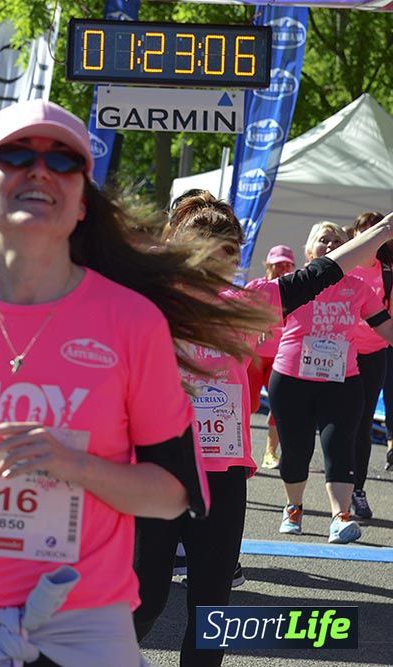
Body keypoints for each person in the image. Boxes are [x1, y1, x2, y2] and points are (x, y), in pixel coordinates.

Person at [0, 100, 261, 666]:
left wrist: (73, 465)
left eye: (63, 160)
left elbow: (173, 494)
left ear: (82, 205)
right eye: (15, 155)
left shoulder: (131, 323)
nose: (38, 170)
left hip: (82, 620)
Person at [135, 196, 393, 667]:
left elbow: (326, 270)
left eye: (228, 254)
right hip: (153, 474)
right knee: (144, 601)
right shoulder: (147, 306)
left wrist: (381, 232)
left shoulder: (247, 303)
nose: (216, 266)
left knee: (211, 610)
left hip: (222, 477)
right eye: (203, 253)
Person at [270, 221, 393, 543]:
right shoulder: (292, 284)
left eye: (336, 240)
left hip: (342, 380)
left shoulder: (358, 289)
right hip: (291, 379)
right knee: (296, 451)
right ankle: (293, 507)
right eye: (323, 240)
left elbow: (385, 328)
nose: (329, 244)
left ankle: (340, 518)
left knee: (340, 448)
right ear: (309, 249)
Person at [347, 210, 392, 520]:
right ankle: (298, 494)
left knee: (362, 423)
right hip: (338, 352)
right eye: (364, 231)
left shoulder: (387, 271)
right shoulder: (341, 267)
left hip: (374, 354)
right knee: (338, 423)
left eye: (376, 232)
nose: (369, 238)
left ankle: (356, 491)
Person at [246, 244, 296, 469]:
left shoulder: (297, 288)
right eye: (278, 264)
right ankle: (241, 451)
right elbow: (242, 314)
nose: (282, 269)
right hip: (254, 358)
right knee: (249, 405)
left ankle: (270, 453)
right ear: (268, 265)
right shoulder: (256, 287)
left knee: (282, 405)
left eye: (287, 265)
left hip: (281, 357)